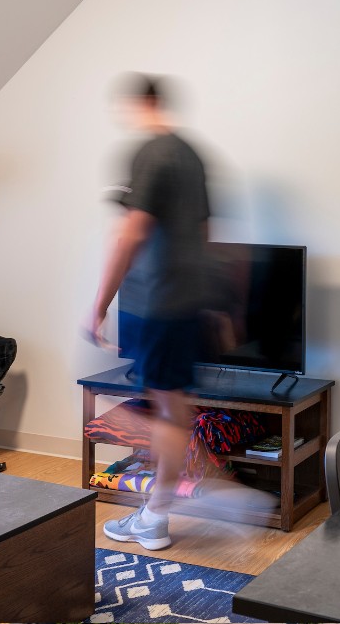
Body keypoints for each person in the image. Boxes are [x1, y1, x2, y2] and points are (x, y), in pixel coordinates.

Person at [87, 73, 210, 550]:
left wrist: (99, 304)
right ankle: (154, 512)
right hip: (183, 302)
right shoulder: (191, 155)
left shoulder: (149, 153)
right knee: (169, 407)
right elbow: (205, 234)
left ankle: (159, 514)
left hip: (153, 303)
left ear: (143, 103)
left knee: (166, 414)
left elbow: (131, 232)